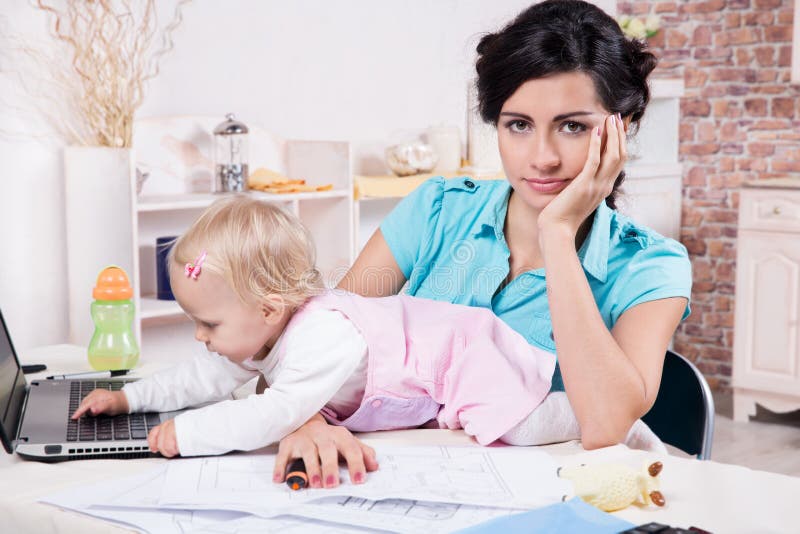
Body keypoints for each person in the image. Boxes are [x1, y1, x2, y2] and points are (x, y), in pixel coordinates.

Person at [275, 0, 692, 488]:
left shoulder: (651, 266)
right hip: (392, 486)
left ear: (623, 127)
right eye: (519, 125)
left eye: (573, 126)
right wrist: (305, 421)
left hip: (540, 500)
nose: (542, 158)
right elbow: (314, 351)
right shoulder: (436, 211)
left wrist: (557, 235)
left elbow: (604, 426)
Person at [71, 197, 665, 483]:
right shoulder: (263, 332)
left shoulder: (320, 334)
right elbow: (206, 377)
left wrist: (187, 433)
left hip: (459, 356)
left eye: (209, 324)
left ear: (268, 308)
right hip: (427, 370)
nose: (200, 338)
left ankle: (630, 430)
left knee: (523, 427)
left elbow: (276, 411)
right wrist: (129, 399)